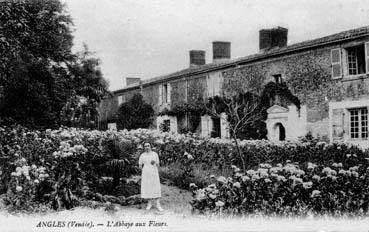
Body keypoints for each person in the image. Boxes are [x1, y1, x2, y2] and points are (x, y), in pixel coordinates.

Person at [138, 142, 164, 211]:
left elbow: (158, 165)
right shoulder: (142, 155)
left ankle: (158, 204)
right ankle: (149, 203)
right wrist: (143, 171)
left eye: (148, 146)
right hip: (146, 173)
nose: (147, 147)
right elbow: (140, 165)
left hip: (154, 172)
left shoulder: (155, 154)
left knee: (156, 187)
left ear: (151, 147)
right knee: (148, 187)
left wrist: (154, 163)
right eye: (145, 146)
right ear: (144, 147)